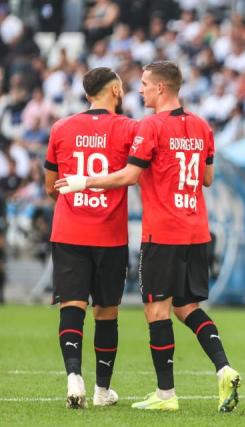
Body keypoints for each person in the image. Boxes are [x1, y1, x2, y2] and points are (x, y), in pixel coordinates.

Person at [56, 61, 240, 412]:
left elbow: (128, 176)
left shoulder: (150, 126)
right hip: (197, 229)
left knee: (157, 310)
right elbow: (208, 177)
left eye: (143, 84)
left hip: (164, 232)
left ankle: (166, 395)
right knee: (187, 308)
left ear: (160, 89)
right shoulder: (202, 126)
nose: (138, 90)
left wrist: (85, 181)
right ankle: (224, 367)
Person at [42, 67, 136, 409]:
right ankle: (102, 390)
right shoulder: (129, 128)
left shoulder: (61, 127)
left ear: (86, 95)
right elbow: (134, 174)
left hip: (68, 230)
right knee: (107, 312)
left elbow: (50, 186)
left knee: (72, 306)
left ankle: (72, 376)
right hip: (109, 233)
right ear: (115, 90)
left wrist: (75, 205)